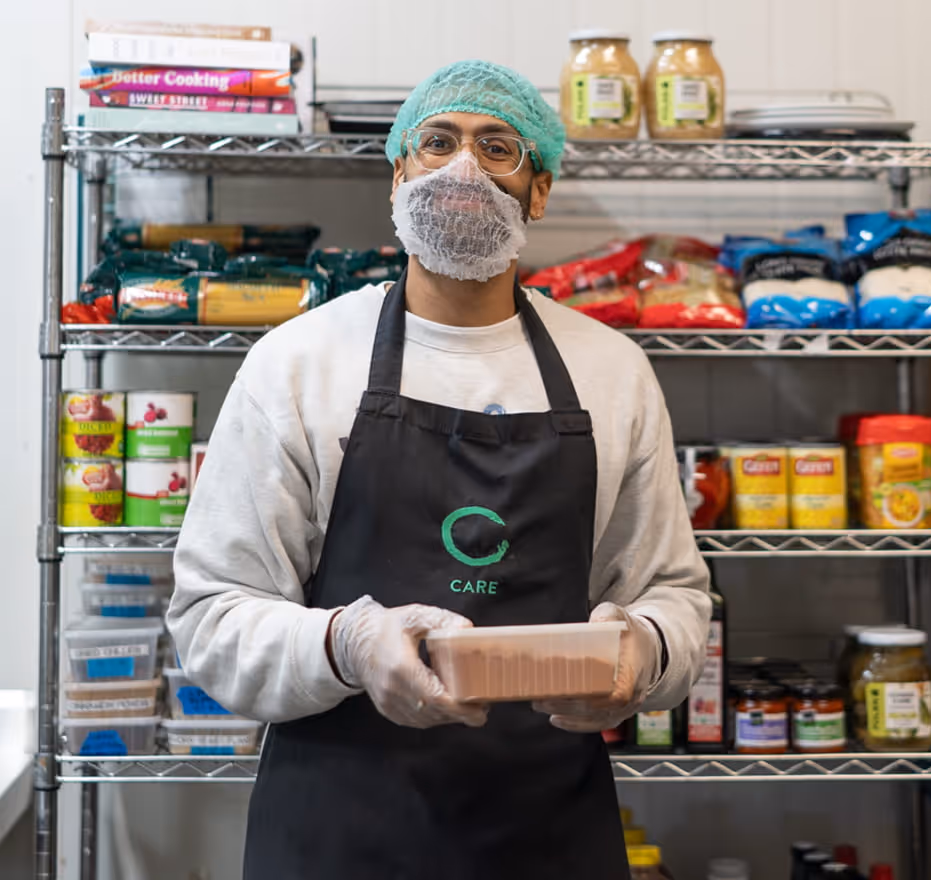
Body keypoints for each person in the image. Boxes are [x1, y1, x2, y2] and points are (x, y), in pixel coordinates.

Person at [168, 59, 711, 880]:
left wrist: (641, 652)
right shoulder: (299, 362)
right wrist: (349, 641)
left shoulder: (612, 371)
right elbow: (210, 617)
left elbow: (673, 594)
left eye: (498, 148)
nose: (463, 168)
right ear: (396, 176)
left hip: (547, 833)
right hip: (337, 832)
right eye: (437, 142)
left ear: (540, 191)